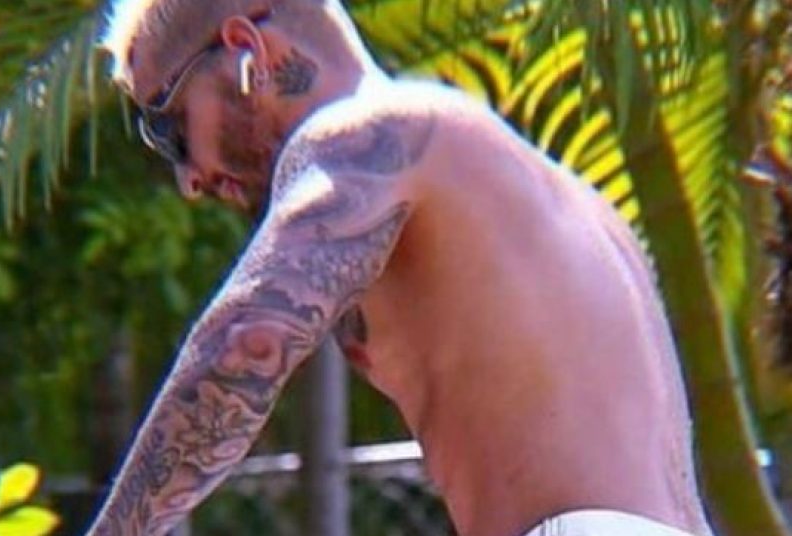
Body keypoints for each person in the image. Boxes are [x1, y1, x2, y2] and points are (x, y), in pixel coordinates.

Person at [87, 0, 716, 534]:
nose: (189, 180)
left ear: (248, 50)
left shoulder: (364, 134)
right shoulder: (571, 201)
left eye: (168, 128)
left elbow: (246, 345)